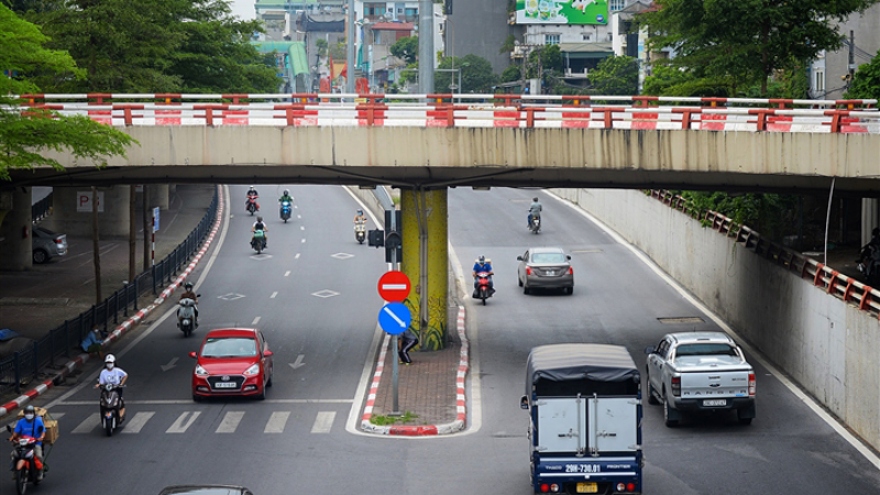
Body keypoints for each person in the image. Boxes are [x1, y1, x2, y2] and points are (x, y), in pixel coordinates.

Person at [9, 405, 45, 480]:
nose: (29, 414)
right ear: (24, 413)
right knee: (13, 455)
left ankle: (40, 472)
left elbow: (43, 431)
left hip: (35, 443)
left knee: (38, 456)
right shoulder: (21, 422)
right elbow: (16, 432)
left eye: (30, 412)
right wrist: (12, 437)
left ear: (33, 413)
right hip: (23, 443)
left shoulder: (38, 421)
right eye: (27, 412)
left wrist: (41, 437)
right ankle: (15, 472)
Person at [94, 354, 128, 422]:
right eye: (108, 363)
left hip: (116, 389)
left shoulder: (117, 370)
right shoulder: (103, 372)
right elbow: (101, 382)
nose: (109, 364)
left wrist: (121, 384)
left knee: (119, 401)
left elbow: (125, 375)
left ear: (113, 362)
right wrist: (99, 385)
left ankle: (120, 413)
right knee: (103, 401)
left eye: (110, 362)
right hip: (106, 390)